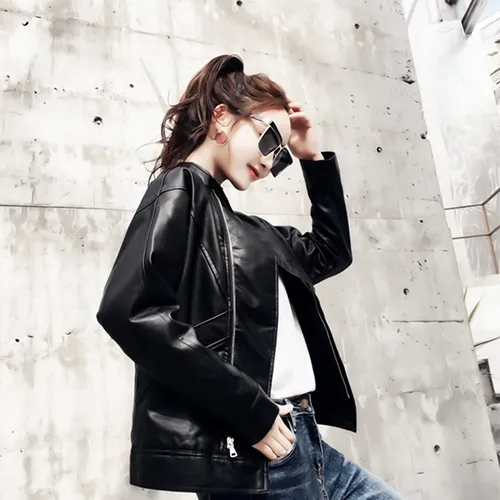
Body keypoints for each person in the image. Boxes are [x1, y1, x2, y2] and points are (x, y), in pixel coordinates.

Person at [96, 54, 402, 500]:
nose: (271, 161)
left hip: (305, 440)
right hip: (258, 452)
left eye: (280, 156)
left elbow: (331, 252)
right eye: (270, 138)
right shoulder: (180, 189)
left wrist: (311, 157)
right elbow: (129, 311)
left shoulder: (253, 234)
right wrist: (250, 412)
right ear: (222, 117)